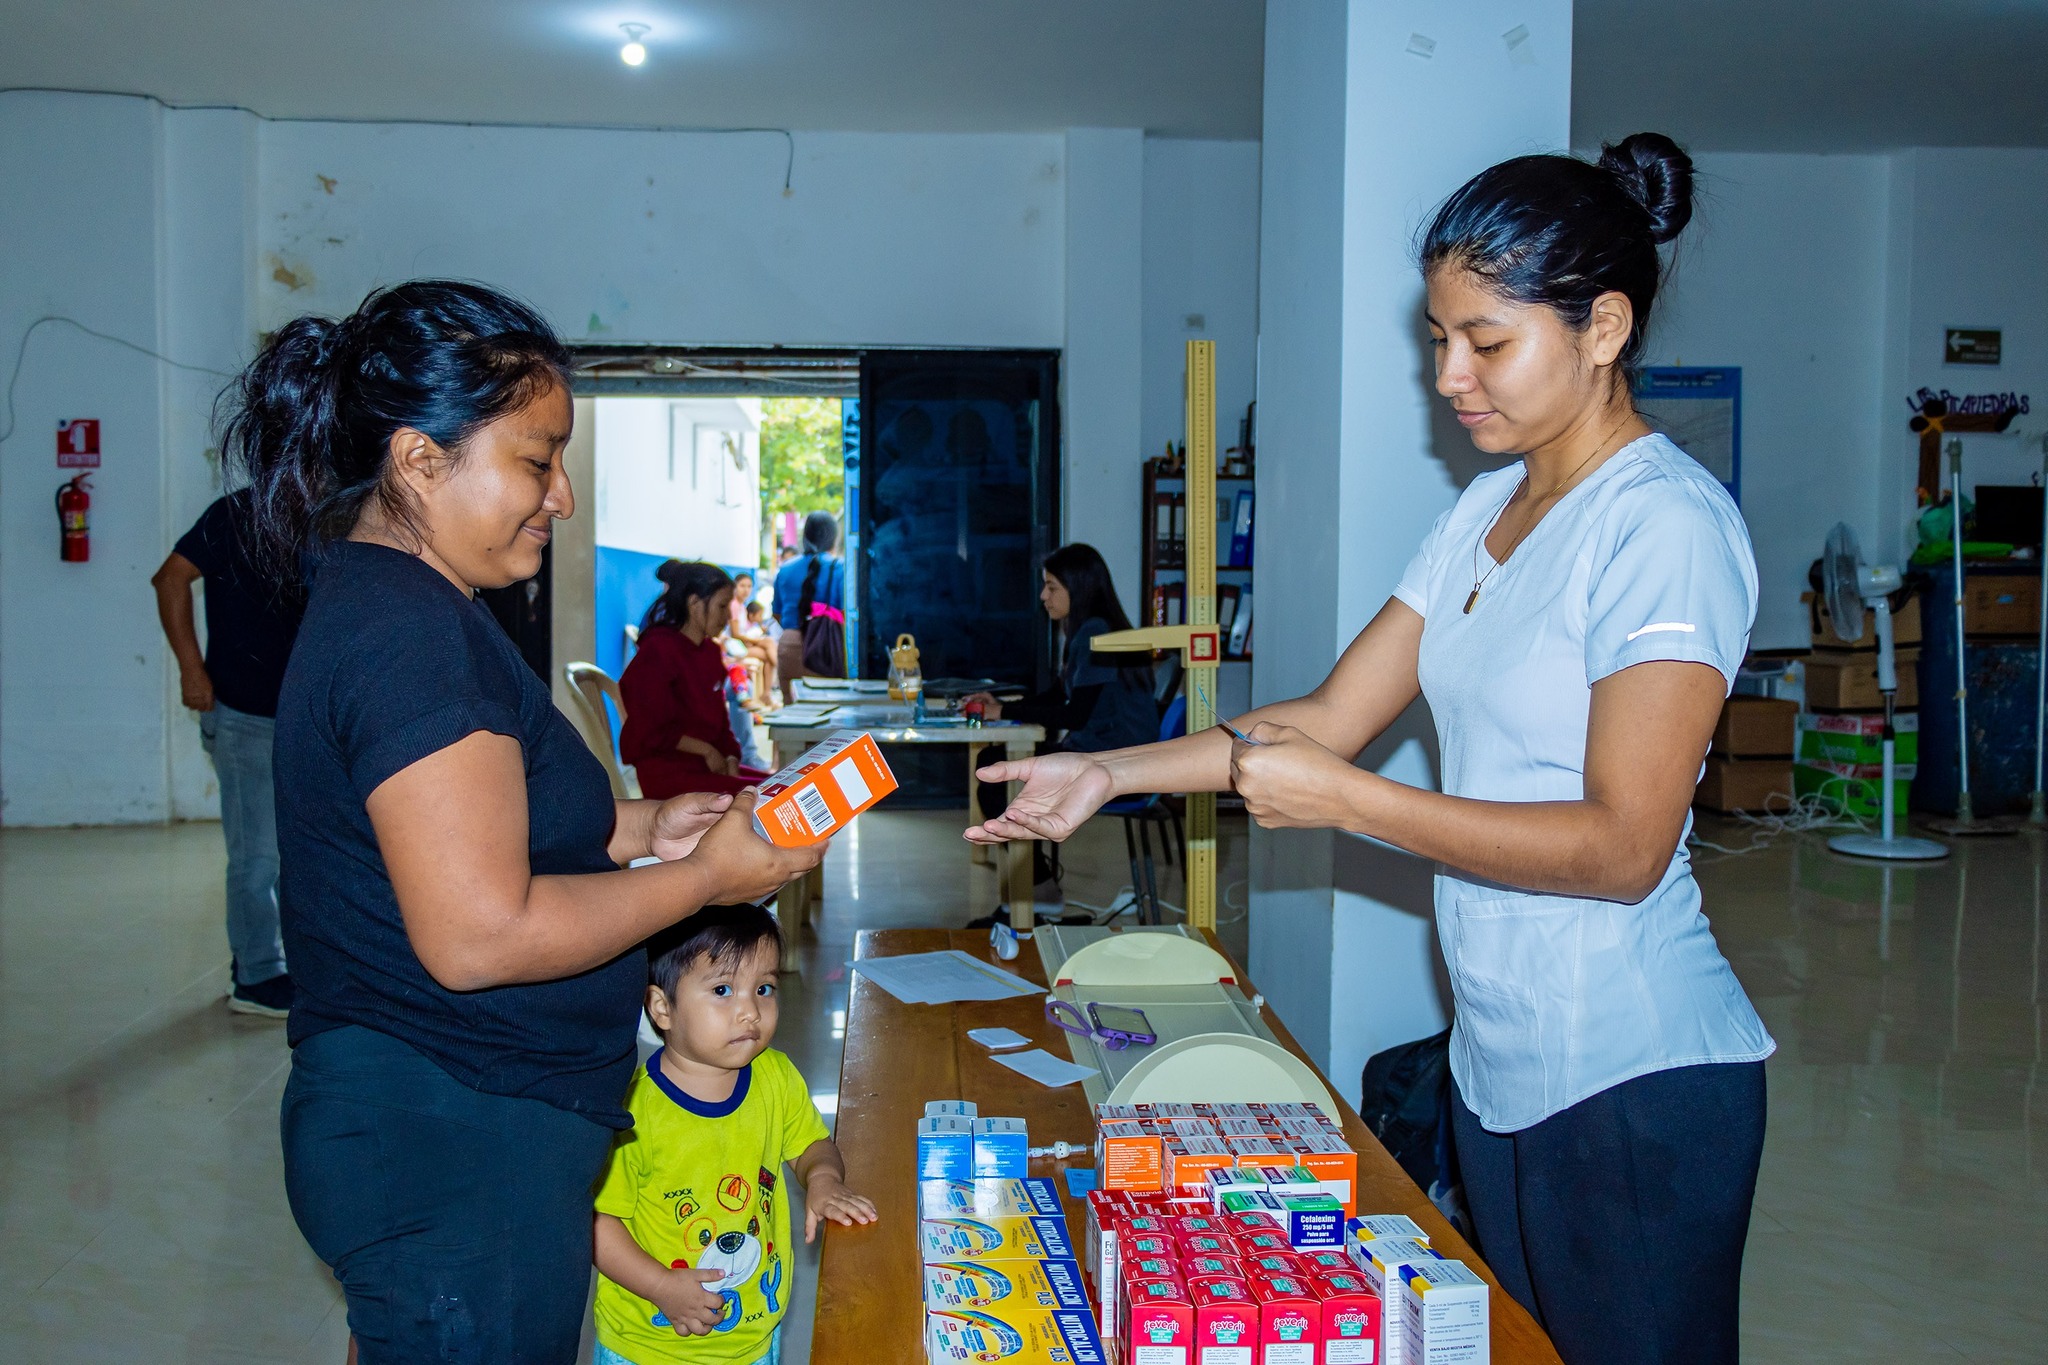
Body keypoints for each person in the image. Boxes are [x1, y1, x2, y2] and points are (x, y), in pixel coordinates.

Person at [967, 135, 1772, 1365]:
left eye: (1484, 342)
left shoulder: (1661, 526)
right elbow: (1326, 720)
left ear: (1602, 328)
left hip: (1631, 1072)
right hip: (1495, 1056)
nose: (1449, 376)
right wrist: (1109, 774)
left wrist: (1350, 803)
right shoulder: (1482, 512)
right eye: (1437, 339)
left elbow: (1621, 848)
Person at [222, 280, 826, 1365]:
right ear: (419, 459)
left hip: (454, 1124)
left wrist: (643, 830)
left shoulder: (405, 606)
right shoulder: (408, 638)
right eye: (539, 460)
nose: (564, 496)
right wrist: (705, 881)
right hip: (451, 1130)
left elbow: (462, 829)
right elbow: (479, 935)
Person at [591, 904, 876, 1365]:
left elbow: (810, 1144)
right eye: (722, 990)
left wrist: (823, 1179)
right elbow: (599, 1222)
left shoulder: (775, 1077)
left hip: (752, 1336)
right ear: (662, 1007)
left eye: (764, 988)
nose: (750, 1012)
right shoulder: (632, 1111)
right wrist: (661, 1286)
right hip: (650, 1345)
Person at [152, 488, 305, 1016]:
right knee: (258, 856)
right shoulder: (235, 515)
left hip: (306, 718)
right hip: (244, 715)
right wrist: (191, 670)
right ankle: (256, 976)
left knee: (302, 853)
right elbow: (170, 579)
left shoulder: (334, 516)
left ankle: (299, 966)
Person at [964, 543, 1155, 914]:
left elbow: (1075, 714)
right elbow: (1058, 695)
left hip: (1113, 756)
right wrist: (1000, 704)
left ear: (1078, 588)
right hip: (1106, 747)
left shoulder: (1096, 633)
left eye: (1051, 587)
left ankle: (1039, 890)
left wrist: (1001, 709)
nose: (1043, 596)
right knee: (995, 764)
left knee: (994, 770)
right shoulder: (1087, 630)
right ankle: (1039, 887)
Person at [621, 561, 770, 798]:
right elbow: (651, 729)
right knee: (771, 798)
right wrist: (707, 751)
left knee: (782, 786)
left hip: (707, 766)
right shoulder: (658, 651)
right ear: (694, 603)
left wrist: (731, 756)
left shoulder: (709, 652)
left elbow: (720, 723)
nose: (728, 616)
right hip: (669, 772)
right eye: (722, 606)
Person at [771, 512, 844, 702]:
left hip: (789, 645)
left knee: (792, 713)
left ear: (805, 536)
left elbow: (777, 613)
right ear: (833, 537)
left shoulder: (785, 568)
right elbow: (846, 614)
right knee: (829, 713)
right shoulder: (841, 568)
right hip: (826, 647)